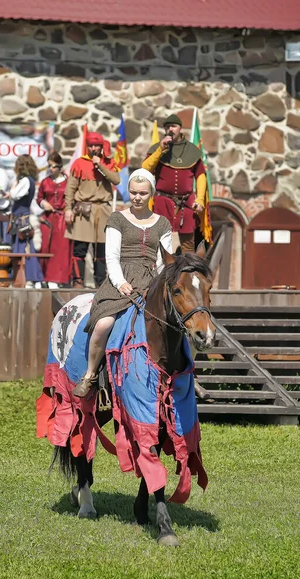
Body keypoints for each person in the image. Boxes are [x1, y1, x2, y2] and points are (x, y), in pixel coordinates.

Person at [73, 168, 172, 398]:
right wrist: (120, 283)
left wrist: (157, 287)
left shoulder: (163, 224)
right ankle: (90, 375)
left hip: (151, 283)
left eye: (143, 193)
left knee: (179, 324)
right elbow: (111, 257)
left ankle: (184, 374)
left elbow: (163, 262)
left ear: (151, 194)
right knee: (103, 324)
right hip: (121, 280)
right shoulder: (117, 218)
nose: (137, 197)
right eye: (134, 192)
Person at [142, 113, 208, 254]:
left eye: (173, 126)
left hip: (186, 203)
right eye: (167, 127)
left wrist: (200, 199)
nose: (170, 129)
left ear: (180, 128)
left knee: (188, 246)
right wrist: (160, 150)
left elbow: (201, 176)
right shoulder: (157, 148)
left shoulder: (192, 150)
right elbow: (145, 169)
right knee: (161, 245)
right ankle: (161, 274)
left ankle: (187, 275)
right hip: (163, 202)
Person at [64, 132, 120, 288]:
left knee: (101, 251)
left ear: (101, 146)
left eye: (97, 145)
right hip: (83, 210)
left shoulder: (108, 162)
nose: (94, 148)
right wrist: (68, 209)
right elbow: (70, 188)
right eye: (91, 145)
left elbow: (116, 180)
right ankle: (78, 281)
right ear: (87, 146)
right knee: (80, 249)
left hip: (102, 210)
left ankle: (100, 282)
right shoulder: (79, 163)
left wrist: (100, 165)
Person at [8, 155, 43, 288]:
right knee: (20, 248)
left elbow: (15, 194)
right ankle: (21, 278)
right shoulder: (27, 180)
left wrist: (13, 187)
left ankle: (31, 278)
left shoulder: (26, 181)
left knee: (26, 249)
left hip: (23, 218)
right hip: (19, 218)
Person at [37, 152, 70, 289]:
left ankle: (56, 278)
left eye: (54, 166)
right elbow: (39, 198)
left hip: (62, 218)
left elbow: (72, 197)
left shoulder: (68, 181)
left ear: (60, 167)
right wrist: (43, 203)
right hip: (47, 218)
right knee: (44, 247)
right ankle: (42, 277)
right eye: (49, 166)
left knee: (60, 249)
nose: (51, 169)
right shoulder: (45, 182)